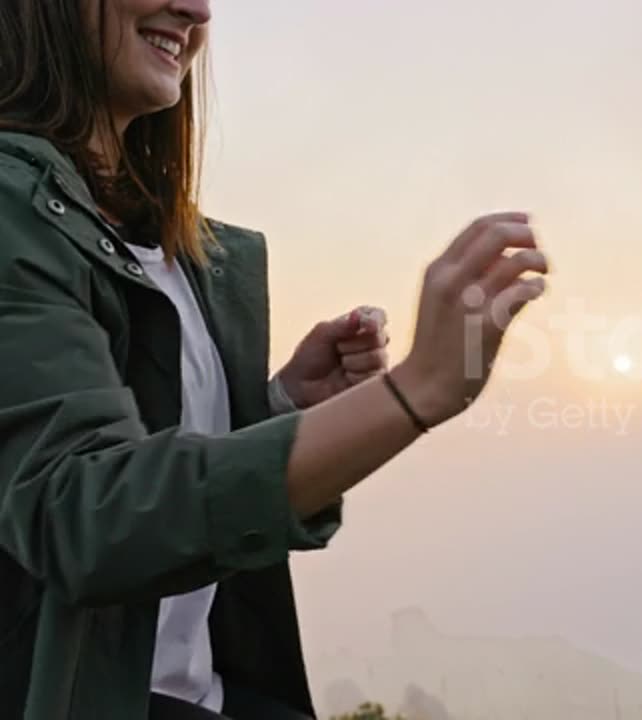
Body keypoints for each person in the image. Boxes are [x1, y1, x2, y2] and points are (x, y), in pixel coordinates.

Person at [0, 1, 550, 718]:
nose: (196, 10)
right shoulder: (13, 212)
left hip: (211, 694)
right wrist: (417, 390)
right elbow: (85, 513)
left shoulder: (176, 249)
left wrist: (279, 409)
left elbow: (145, 468)